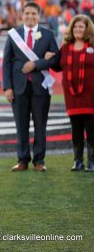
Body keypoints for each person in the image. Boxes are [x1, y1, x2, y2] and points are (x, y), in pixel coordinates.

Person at [2, 2, 60, 172]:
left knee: (40, 125)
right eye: (27, 13)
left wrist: (37, 64)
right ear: (22, 14)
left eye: (33, 13)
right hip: (18, 87)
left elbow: (57, 61)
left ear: (39, 15)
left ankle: (39, 161)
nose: (30, 16)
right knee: (21, 125)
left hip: (40, 88)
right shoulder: (14, 35)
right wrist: (7, 87)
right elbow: (6, 62)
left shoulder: (48, 35)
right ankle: (22, 160)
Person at [48, 15, 94, 172]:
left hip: (91, 97)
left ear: (87, 29)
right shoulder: (65, 48)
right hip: (72, 97)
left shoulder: (93, 46)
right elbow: (57, 66)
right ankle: (78, 161)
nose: (78, 30)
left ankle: (92, 162)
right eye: (75, 27)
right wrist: (49, 57)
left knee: (91, 130)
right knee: (76, 130)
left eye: (81, 27)